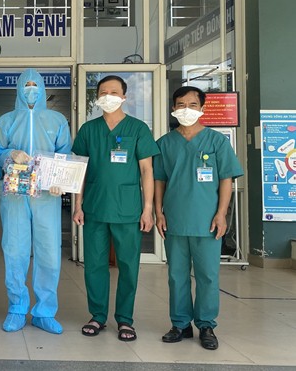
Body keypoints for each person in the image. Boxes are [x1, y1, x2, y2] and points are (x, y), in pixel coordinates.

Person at [154, 86, 243, 350]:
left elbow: (226, 179)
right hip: (175, 220)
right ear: (173, 109)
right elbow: (159, 179)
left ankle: (206, 325)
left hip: (208, 221)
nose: (186, 109)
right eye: (180, 104)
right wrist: (159, 211)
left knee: (207, 275)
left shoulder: (216, 141)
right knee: (176, 275)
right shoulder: (165, 143)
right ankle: (180, 324)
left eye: (192, 104)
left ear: (202, 108)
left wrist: (221, 214)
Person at [72, 75, 159, 342]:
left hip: (128, 208)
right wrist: (78, 204)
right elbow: (80, 170)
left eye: (114, 91)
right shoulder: (88, 130)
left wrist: (147, 209)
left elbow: (147, 170)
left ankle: (125, 319)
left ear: (124, 96)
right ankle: (97, 316)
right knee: (94, 265)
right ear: (97, 97)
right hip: (95, 207)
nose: (108, 96)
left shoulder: (138, 129)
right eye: (103, 92)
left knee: (128, 265)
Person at [0, 68, 72, 334]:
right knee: (14, 251)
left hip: (47, 196)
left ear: (42, 88)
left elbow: (65, 154)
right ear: (18, 89)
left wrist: (62, 179)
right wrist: (9, 154)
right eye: (25, 85)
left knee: (49, 251)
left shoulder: (57, 119)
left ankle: (45, 311)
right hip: (15, 195)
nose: (30, 89)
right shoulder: (6, 120)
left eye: (34, 84)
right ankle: (16, 308)